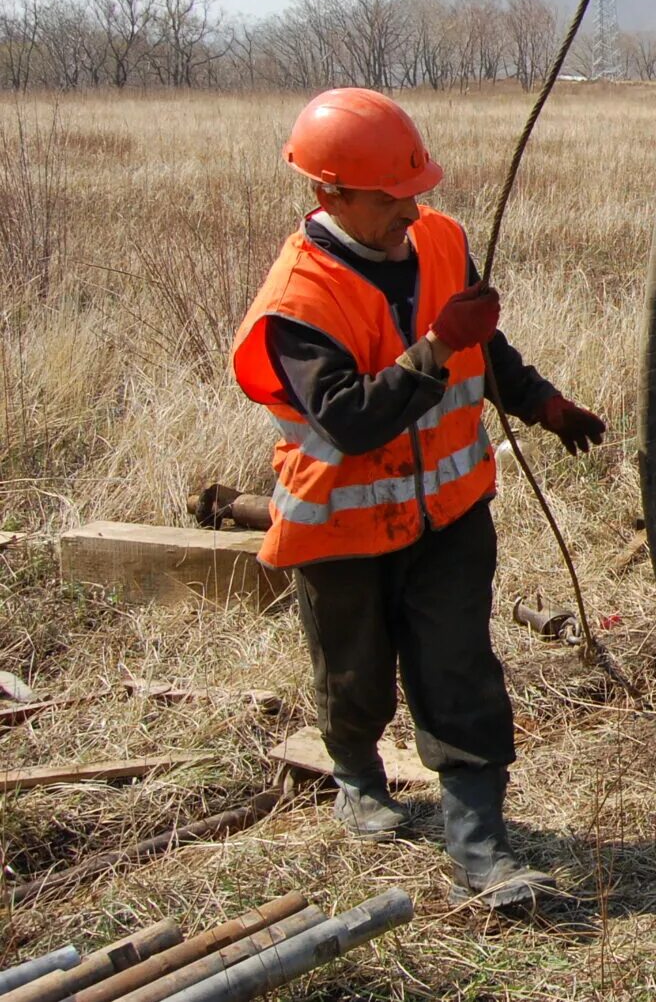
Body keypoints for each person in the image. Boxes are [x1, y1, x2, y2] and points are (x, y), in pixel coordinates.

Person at [231, 87, 606, 911]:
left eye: (415, 187)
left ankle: (482, 854)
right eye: (389, 195)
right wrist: (438, 345)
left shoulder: (437, 240)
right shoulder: (298, 303)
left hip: (451, 518)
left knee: (459, 670)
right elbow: (352, 420)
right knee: (355, 673)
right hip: (343, 531)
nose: (411, 206)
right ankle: (359, 774)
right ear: (329, 196)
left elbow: (485, 343)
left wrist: (540, 402)